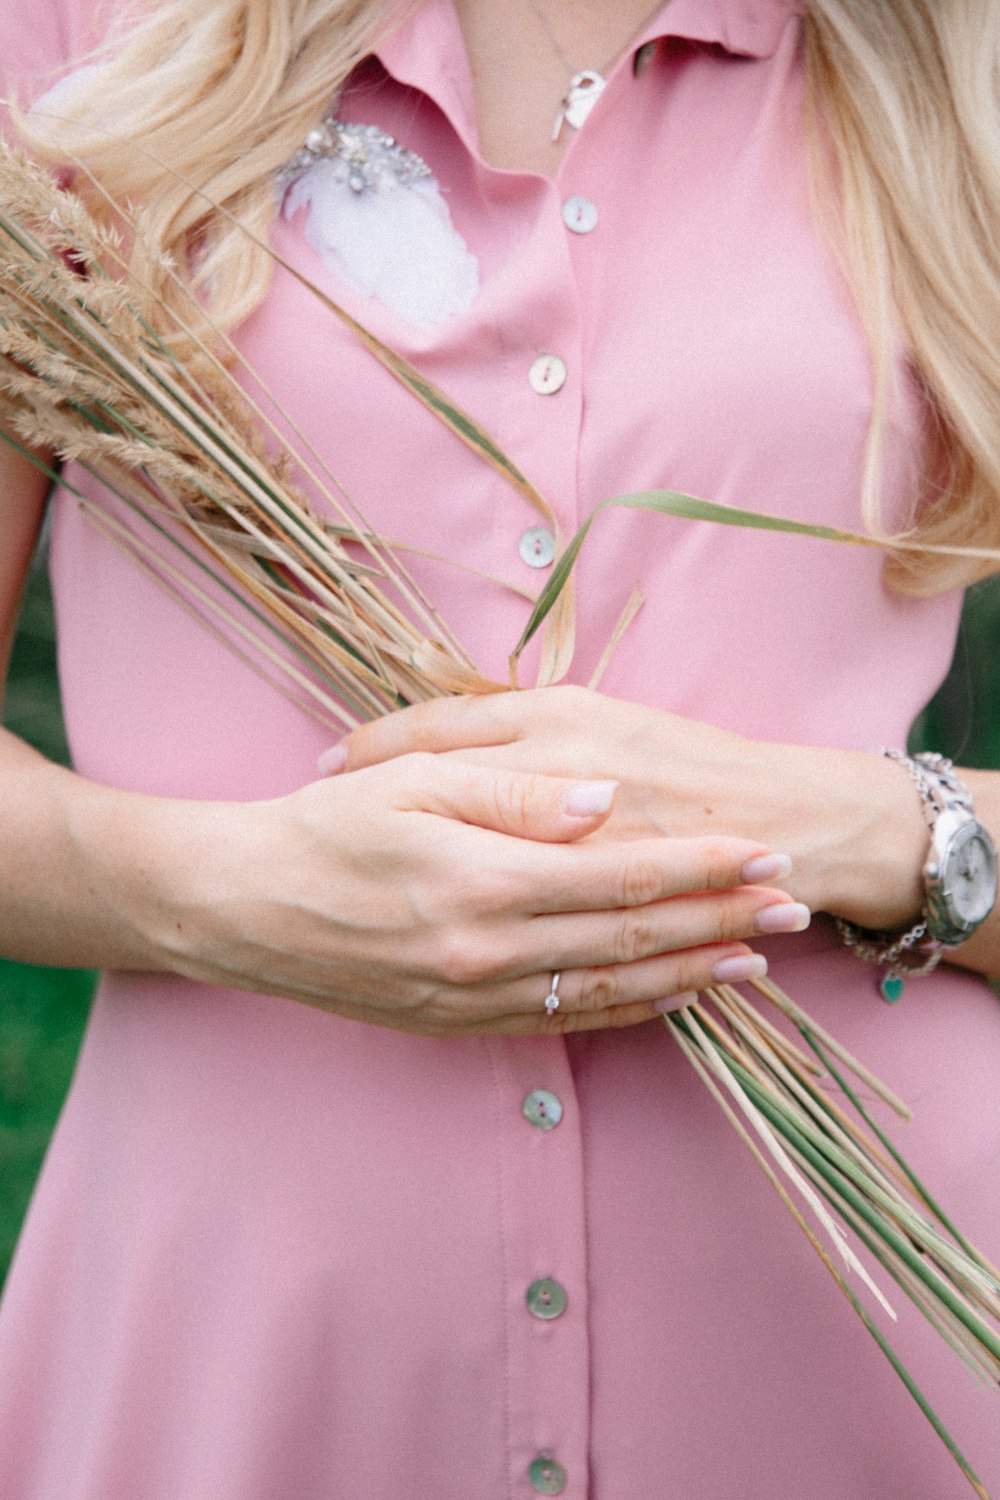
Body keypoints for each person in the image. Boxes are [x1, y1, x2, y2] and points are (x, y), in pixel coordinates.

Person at [1, 0, 999, 1495]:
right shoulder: (80, 41)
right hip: (249, 1348)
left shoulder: (958, 61)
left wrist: (881, 830)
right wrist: (227, 893)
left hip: (863, 1363)